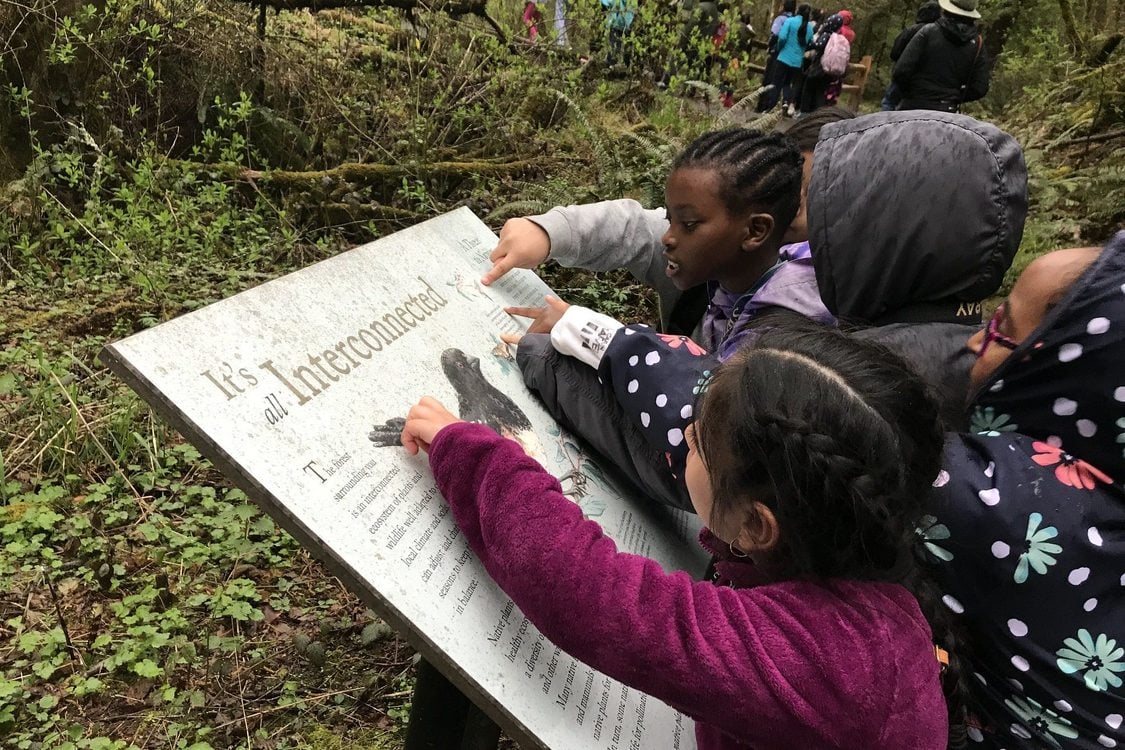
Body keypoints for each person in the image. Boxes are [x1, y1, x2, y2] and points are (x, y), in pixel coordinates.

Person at [400, 324, 958, 748]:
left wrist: (473, 455)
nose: (686, 433)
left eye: (698, 443)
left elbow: (588, 592)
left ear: (757, 525)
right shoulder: (860, 577)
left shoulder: (824, 660)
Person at [494, 112, 1026, 509]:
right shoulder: (802, 267)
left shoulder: (820, 339)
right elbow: (659, 231)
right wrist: (550, 232)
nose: (797, 219)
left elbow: (712, 447)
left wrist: (572, 346)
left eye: (810, 205)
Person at [923, 233, 1125, 748]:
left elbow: (792, 436)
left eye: (1001, 329)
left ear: (1060, 365)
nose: (973, 344)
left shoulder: (1004, 501)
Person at [892, 0, 990, 112]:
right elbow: (980, 88)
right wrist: (955, 97)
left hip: (913, 105)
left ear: (947, 9)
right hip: (948, 110)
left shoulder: (928, 32)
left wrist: (911, 92)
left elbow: (901, 71)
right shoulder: (978, 43)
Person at [882, 2, 942, 110]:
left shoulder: (911, 30)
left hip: (903, 76)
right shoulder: (940, 36)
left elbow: (895, 53)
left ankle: (884, 124)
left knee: (889, 102)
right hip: (926, 84)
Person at [774, 4, 814, 114]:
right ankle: (786, 102)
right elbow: (810, 43)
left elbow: (782, 37)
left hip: (783, 57)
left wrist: (779, 48)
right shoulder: (809, 28)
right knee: (789, 83)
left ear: (798, 11)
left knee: (777, 83)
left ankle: (770, 107)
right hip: (797, 61)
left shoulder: (790, 21)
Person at [757, 0, 796, 111]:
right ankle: (776, 106)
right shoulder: (795, 21)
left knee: (770, 79)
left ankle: (763, 105)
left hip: (777, 52)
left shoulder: (780, 19)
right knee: (784, 82)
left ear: (784, 7)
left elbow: (775, 34)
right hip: (789, 55)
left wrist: (770, 46)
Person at [601, 0, 636, 67]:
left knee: (623, 44)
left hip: (623, 22)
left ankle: (626, 64)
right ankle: (612, 63)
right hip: (618, 23)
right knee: (615, 44)